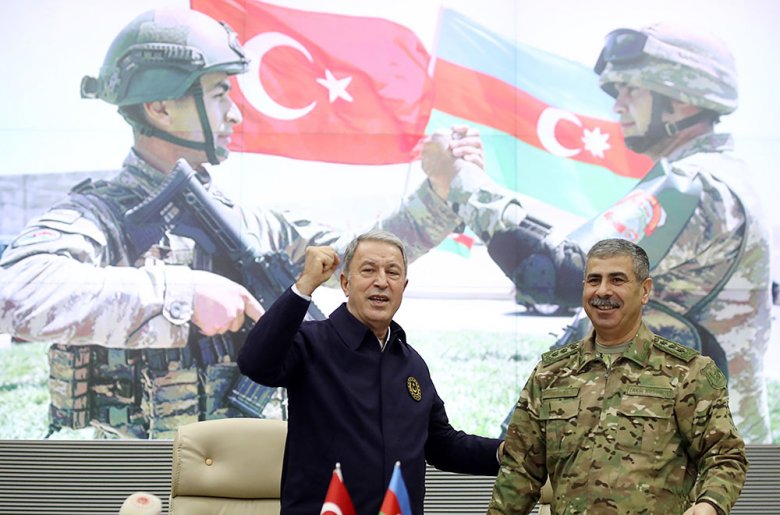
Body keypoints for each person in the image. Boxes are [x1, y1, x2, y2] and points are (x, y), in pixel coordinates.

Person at [0, 8, 513, 439]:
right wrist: (182, 295)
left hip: (251, 475)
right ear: (159, 107)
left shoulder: (246, 225)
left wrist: (438, 189)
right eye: (219, 95)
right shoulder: (103, 216)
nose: (235, 115)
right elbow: (15, 292)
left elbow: (364, 258)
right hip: (149, 479)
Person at [483, 23, 772, 442]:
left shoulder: (695, 187)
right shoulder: (712, 179)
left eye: (632, 90)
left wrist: (462, 188)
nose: (618, 106)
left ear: (680, 99)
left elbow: (555, 271)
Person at [238, 230, 503, 514]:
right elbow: (255, 362)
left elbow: (442, 445)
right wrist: (305, 285)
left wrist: (505, 452)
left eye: (393, 273)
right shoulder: (310, 343)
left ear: (403, 286)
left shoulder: (412, 364)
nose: (381, 282)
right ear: (345, 283)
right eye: (368, 270)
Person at [488, 238, 748, 515]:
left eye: (617, 280)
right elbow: (519, 472)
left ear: (644, 290)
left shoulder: (688, 372)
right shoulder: (550, 373)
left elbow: (725, 456)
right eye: (594, 280)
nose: (602, 291)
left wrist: (710, 505)